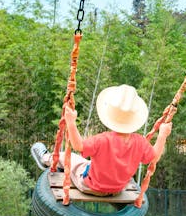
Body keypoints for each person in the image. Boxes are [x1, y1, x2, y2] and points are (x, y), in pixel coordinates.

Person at [31, 84, 172, 207]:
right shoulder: (140, 142)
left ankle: (45, 158)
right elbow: (154, 157)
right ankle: (52, 159)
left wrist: (71, 122)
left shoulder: (102, 140)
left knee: (70, 158)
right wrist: (162, 136)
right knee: (89, 163)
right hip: (117, 189)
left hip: (90, 186)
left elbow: (78, 146)